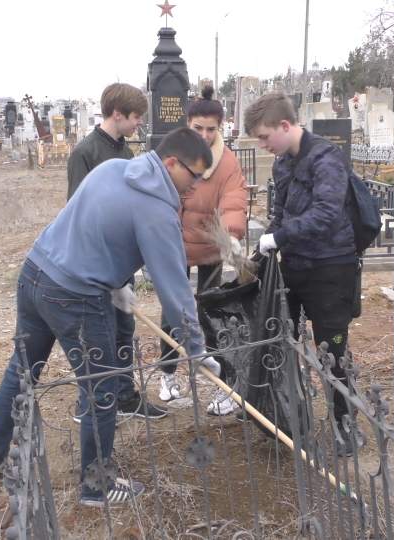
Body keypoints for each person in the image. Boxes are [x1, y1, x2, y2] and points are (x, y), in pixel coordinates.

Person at [0, 127, 222, 506]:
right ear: (171, 163)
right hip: (74, 294)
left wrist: (116, 280)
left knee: (23, 369)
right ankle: (97, 486)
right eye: (194, 176)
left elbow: (93, 227)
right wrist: (195, 348)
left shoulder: (114, 169)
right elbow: (173, 290)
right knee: (102, 388)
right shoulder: (157, 209)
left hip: (35, 273)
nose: (196, 187)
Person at [244, 92, 358, 456]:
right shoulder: (282, 164)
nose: (263, 146)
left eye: (265, 138)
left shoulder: (326, 157)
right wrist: (269, 238)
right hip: (293, 269)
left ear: (284, 125)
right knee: (283, 344)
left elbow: (326, 212)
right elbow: (282, 213)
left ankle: (345, 428)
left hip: (330, 268)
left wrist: (280, 236)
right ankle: (290, 422)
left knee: (333, 353)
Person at [64, 82, 165, 422]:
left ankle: (124, 395)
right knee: (98, 336)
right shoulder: (85, 153)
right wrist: (104, 275)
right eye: (136, 117)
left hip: (122, 265)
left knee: (124, 332)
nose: (140, 124)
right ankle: (92, 403)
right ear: (117, 114)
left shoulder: (126, 153)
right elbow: (80, 216)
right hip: (96, 267)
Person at [158, 86, 247, 416]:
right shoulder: (173, 153)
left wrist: (232, 233)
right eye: (199, 128)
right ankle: (167, 375)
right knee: (172, 315)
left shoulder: (227, 164)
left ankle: (221, 385)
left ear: (220, 127)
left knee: (210, 314)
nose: (206, 135)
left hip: (209, 247)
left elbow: (234, 200)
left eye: (212, 129)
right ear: (188, 123)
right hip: (172, 247)